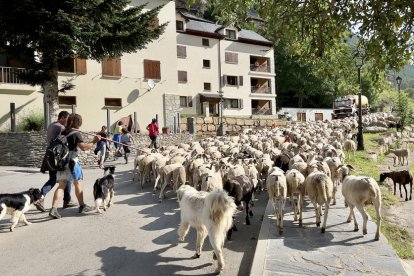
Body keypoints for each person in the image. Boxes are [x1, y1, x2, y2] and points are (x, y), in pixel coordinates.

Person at [49, 113, 101, 219]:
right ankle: (82, 206)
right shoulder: (76, 133)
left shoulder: (64, 131)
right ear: (79, 122)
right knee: (78, 184)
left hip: (62, 162)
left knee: (61, 185)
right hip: (72, 161)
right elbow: (84, 147)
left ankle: (53, 209)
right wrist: (94, 141)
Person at [36, 111, 77, 212]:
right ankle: (40, 198)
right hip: (57, 157)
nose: (67, 122)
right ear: (62, 117)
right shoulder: (61, 127)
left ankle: (67, 200)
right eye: (67, 120)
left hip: (51, 155)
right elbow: (67, 136)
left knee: (56, 179)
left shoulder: (51, 125)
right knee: (62, 178)